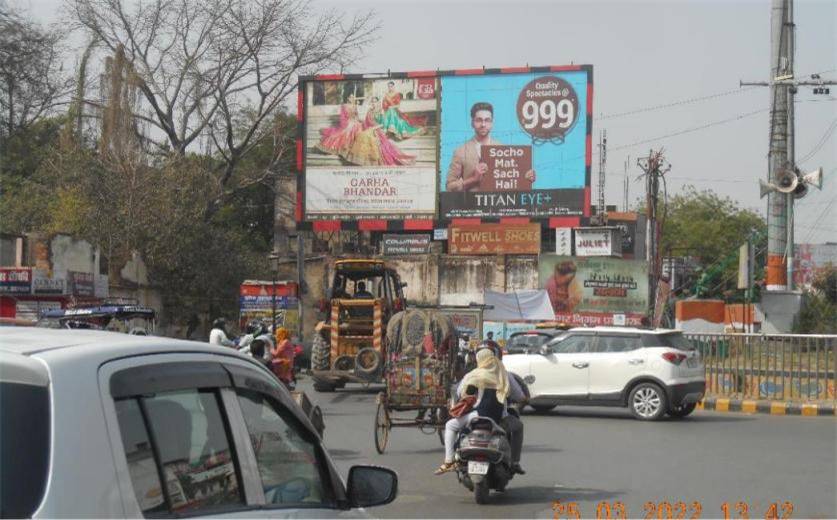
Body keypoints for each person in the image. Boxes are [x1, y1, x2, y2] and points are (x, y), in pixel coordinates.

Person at [435, 349, 526, 475]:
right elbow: (520, 397)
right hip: (501, 418)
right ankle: (515, 463)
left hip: (477, 416)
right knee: (518, 426)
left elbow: (461, 393)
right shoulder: (504, 374)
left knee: (450, 425)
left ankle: (449, 461)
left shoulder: (474, 374)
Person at [445, 102, 535, 192]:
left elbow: (510, 184)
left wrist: (525, 179)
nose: (483, 124)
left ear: (492, 123)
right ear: (472, 123)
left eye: (487, 120)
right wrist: (473, 179)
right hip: (471, 201)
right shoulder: (460, 151)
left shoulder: (503, 149)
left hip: (497, 201)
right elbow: (449, 187)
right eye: (479, 120)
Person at [346, 97, 415, 166]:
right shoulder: (369, 111)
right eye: (372, 102)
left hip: (379, 130)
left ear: (378, 103)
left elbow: (383, 124)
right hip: (370, 129)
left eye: (375, 102)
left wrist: (373, 129)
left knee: (366, 135)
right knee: (361, 134)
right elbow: (366, 123)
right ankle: (361, 160)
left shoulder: (381, 111)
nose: (373, 103)